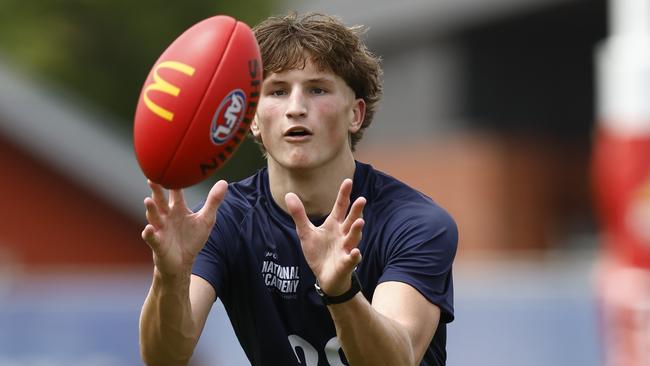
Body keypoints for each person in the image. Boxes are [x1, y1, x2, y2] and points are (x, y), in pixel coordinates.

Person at [139, 12, 457, 366]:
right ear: (252, 120)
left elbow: (397, 361)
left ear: (355, 114)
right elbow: (164, 357)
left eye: (317, 89)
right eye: (277, 91)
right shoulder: (224, 221)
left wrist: (341, 292)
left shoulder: (415, 222)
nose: (296, 108)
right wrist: (171, 276)